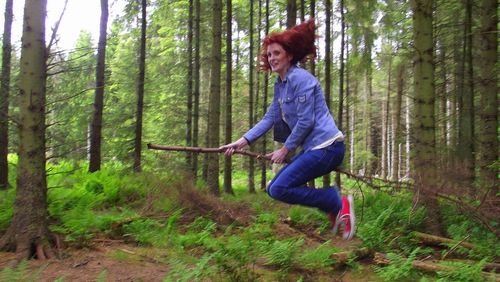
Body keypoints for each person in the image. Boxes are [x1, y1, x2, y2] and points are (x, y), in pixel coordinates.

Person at [220, 19, 355, 240]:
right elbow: (270, 118)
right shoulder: (281, 84)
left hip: (328, 147)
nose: (272, 58)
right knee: (277, 187)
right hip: (314, 150)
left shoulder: (300, 79)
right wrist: (241, 141)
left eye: (277, 53)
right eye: (269, 54)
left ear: (289, 56)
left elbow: (306, 121)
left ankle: (336, 202)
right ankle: (333, 205)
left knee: (278, 188)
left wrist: (285, 150)